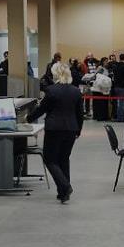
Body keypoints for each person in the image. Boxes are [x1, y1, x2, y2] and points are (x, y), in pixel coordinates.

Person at [26, 62, 83, 203]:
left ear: (55, 74)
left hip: (54, 128)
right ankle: (63, 193)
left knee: (50, 159)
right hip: (71, 129)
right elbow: (80, 113)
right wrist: (78, 130)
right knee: (64, 159)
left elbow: (42, 109)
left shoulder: (51, 90)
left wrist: (28, 119)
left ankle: (65, 186)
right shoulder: (76, 91)